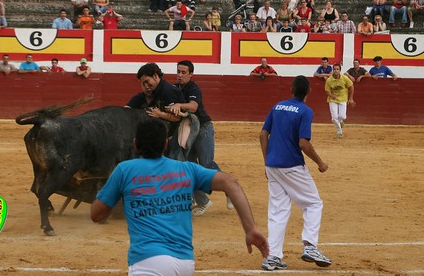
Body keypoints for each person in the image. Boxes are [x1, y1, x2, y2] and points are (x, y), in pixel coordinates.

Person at [91, 118, 269, 275]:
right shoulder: (186, 169)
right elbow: (231, 183)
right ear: (165, 144)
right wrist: (250, 228)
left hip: (148, 261)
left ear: (135, 144)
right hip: (185, 263)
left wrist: (113, 192)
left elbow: (96, 214)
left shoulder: (124, 170)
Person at [259, 75, 331, 271]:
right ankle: (310, 246)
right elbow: (303, 143)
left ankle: (273, 257)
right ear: (308, 92)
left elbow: (263, 134)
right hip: (291, 165)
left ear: (291, 90)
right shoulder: (305, 111)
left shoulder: (278, 106)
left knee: (278, 210)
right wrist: (320, 163)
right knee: (313, 203)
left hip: (273, 165)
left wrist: (267, 162)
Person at [167, 60, 233, 216]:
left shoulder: (193, 88)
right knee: (190, 167)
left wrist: (179, 105)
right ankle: (202, 201)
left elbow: (193, 106)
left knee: (206, 163)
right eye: (178, 72)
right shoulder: (174, 88)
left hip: (203, 129)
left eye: (183, 73)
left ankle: (229, 188)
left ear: (191, 74)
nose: (180, 75)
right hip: (188, 131)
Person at [325, 64, 355, 138]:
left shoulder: (344, 78)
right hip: (332, 99)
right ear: (333, 70)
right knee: (334, 117)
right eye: (334, 69)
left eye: (337, 69)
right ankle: (339, 131)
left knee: (342, 116)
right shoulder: (329, 80)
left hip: (343, 99)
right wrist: (332, 96)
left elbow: (351, 86)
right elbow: (327, 90)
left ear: (340, 70)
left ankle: (341, 121)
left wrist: (350, 98)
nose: (336, 71)